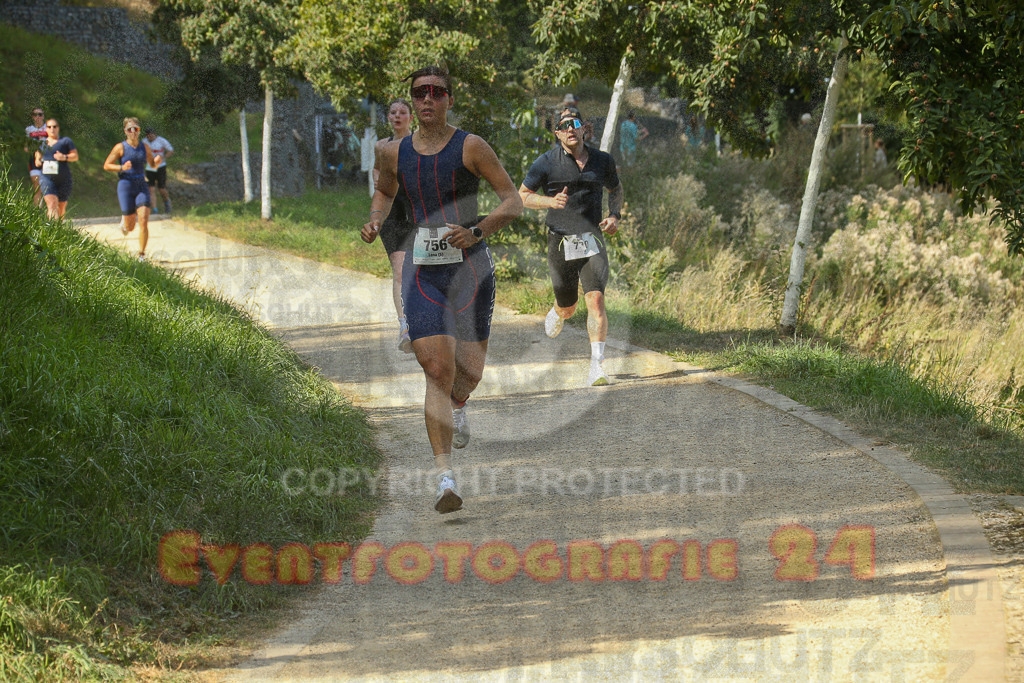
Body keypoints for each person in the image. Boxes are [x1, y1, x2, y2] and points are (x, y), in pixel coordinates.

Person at [361, 65, 523, 514]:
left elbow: (513, 201)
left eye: (436, 92)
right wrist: (376, 218)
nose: (427, 99)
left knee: (467, 372)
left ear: (450, 99)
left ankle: (460, 401)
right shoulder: (394, 153)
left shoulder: (471, 146)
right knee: (435, 368)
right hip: (423, 270)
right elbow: (385, 191)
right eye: (419, 93)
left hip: (470, 268)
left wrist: (478, 230)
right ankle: (444, 478)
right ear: (412, 101)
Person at [519, 109, 624, 387]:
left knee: (596, 300)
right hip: (561, 241)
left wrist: (614, 216)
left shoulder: (602, 161)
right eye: (564, 126)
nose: (570, 129)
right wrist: (550, 202)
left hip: (593, 240)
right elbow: (523, 196)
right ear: (557, 133)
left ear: (584, 128)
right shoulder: (546, 162)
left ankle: (597, 367)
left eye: (575, 124)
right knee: (569, 306)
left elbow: (617, 189)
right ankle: (558, 310)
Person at [372, 98, 416, 352]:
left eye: (402, 112)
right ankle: (405, 328)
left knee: (422, 271)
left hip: (420, 213)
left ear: (411, 117)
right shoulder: (382, 146)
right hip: (394, 214)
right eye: (393, 112)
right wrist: (381, 192)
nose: (397, 116)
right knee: (400, 271)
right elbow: (377, 171)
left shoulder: (420, 144)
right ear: (388, 117)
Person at [103, 117, 162, 262]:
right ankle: (125, 222)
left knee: (143, 219)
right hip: (126, 185)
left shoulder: (145, 147)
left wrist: (157, 162)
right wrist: (122, 167)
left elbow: (152, 164)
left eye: (136, 129)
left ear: (139, 131)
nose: (133, 132)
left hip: (141, 184)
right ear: (125, 131)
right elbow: (107, 165)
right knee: (130, 227)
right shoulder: (120, 147)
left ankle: (141, 255)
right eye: (130, 129)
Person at [34, 118, 79, 220]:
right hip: (47, 178)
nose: (52, 129)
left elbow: (75, 156)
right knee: (52, 204)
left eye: (54, 126)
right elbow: (37, 154)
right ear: (46, 129)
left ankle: (59, 229)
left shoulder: (65, 141)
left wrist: (64, 157)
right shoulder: (42, 143)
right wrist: (37, 160)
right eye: (49, 127)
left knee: (61, 207)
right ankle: (51, 230)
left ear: (58, 128)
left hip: (63, 179)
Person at [144, 127, 175, 215]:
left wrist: (164, 157)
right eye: (148, 135)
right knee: (151, 189)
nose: (150, 137)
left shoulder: (161, 141)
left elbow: (171, 150)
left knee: (161, 189)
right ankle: (155, 209)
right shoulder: (144, 142)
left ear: (155, 134)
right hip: (150, 167)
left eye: (151, 135)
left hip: (160, 167)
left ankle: (166, 202)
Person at [25, 107, 47, 207]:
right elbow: (26, 147)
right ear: (32, 117)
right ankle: (37, 214)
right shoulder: (29, 130)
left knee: (48, 188)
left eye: (40, 114)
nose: (37, 117)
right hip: (34, 160)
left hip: (48, 160)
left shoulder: (49, 128)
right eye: (35, 114)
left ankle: (52, 215)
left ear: (43, 116)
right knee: (37, 186)